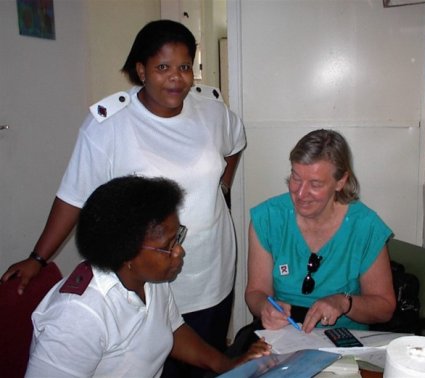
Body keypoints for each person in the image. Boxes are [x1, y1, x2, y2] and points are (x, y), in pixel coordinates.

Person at [2, 20, 244, 376]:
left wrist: (222, 189)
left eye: (184, 67)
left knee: (205, 361)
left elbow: (235, 144)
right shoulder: (108, 124)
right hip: (147, 271)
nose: (176, 78)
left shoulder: (211, 110)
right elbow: (74, 196)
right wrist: (39, 257)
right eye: (163, 67)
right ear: (140, 70)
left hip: (211, 268)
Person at [25, 176, 270, 377]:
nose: (179, 251)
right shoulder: (78, 316)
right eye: (168, 245)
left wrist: (227, 365)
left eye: (178, 237)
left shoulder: (150, 279)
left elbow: (172, 328)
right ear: (127, 253)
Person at [245, 129, 396, 334]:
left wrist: (344, 303)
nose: (300, 193)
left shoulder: (365, 226)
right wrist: (265, 307)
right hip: (284, 337)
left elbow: (384, 308)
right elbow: (256, 292)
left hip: (345, 341)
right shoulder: (268, 219)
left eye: (315, 184)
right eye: (296, 178)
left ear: (341, 182)